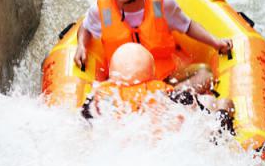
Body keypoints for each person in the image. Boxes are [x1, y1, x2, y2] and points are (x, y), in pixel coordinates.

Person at [73, 0, 233, 93]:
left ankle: (169, 98)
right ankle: (165, 101)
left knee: (204, 73)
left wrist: (216, 43)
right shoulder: (102, 10)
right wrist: (81, 45)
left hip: (165, 78)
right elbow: (85, 28)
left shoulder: (162, 4)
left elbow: (188, 26)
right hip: (124, 88)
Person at [82, 43, 235, 135]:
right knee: (218, 103)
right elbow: (200, 117)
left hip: (125, 144)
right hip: (163, 144)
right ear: (152, 72)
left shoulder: (97, 97)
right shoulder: (163, 92)